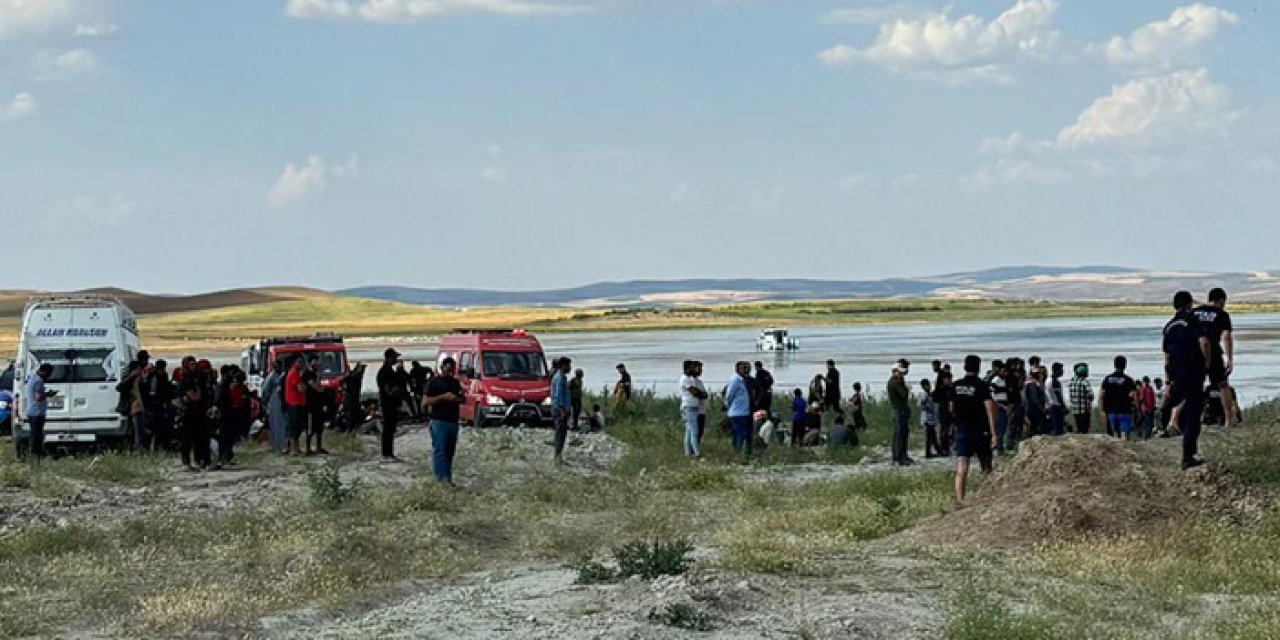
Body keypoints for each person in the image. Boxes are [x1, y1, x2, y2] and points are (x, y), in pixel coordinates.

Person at [1164, 290, 1212, 469]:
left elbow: (1167, 355)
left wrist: (1169, 380)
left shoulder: (1169, 326)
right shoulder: (1192, 320)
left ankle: (1168, 423)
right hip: (1192, 370)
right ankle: (1188, 455)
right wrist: (1206, 362)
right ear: (1189, 304)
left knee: (1179, 401)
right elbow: (1204, 342)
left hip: (1175, 371)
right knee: (1193, 410)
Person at [951, 355, 998, 504]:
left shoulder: (956, 385)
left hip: (963, 430)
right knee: (986, 466)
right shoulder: (981, 385)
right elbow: (990, 409)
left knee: (961, 467)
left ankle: (960, 500)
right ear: (978, 367)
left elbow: (951, 407)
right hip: (980, 430)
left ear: (965, 367)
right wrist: (994, 434)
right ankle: (987, 497)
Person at [1194, 288, 1236, 429]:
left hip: (1194, 353)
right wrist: (1230, 358)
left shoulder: (1194, 312)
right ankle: (1228, 420)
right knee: (1223, 385)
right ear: (1221, 301)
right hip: (1213, 353)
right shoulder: (1222, 314)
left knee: (1194, 386)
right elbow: (1226, 337)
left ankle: (1191, 419)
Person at [423, 356, 465, 484]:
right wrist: (443, 397)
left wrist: (459, 398)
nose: (450, 373)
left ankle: (447, 478)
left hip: (453, 421)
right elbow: (425, 401)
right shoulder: (433, 382)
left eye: (452, 370)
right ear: (442, 368)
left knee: (449, 452)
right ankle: (441, 480)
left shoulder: (455, 382)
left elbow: (462, 399)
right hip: (439, 421)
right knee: (440, 451)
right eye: (447, 370)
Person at [177, 366, 213, 471]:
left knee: (201, 439)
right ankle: (189, 461)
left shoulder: (201, 382)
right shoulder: (187, 382)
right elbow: (195, 397)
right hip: (189, 415)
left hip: (200, 414)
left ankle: (201, 460)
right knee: (188, 439)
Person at [20, 364, 55, 459]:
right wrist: (48, 394)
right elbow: (38, 397)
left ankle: (35, 453)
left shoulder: (33, 378)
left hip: (33, 411)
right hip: (37, 412)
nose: (49, 376)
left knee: (35, 434)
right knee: (36, 435)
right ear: (45, 372)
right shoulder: (38, 381)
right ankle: (36, 455)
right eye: (49, 373)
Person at [1100, 356, 1139, 441]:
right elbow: (1134, 396)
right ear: (1125, 365)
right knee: (1124, 435)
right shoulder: (1128, 380)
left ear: (1114, 365)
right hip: (1125, 411)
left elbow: (1102, 395)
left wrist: (1102, 410)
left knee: (1113, 434)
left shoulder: (1107, 379)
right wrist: (1137, 409)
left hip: (1111, 411)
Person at [376, 349, 405, 462]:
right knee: (388, 428)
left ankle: (389, 453)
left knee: (391, 428)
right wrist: (396, 390)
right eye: (394, 357)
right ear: (388, 358)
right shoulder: (384, 372)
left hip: (392, 404)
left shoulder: (390, 372)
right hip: (387, 404)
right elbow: (388, 390)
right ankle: (386, 453)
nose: (396, 359)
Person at [724, 361, 754, 460]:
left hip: (744, 412)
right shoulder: (735, 380)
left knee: (745, 433)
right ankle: (737, 453)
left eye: (746, 368)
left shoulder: (742, 380)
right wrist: (727, 405)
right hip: (737, 412)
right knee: (739, 434)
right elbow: (729, 395)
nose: (746, 370)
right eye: (743, 368)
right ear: (737, 369)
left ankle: (744, 453)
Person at [117, 358, 149, 451]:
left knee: (140, 428)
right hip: (134, 406)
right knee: (136, 428)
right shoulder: (129, 378)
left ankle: (138, 446)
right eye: (138, 369)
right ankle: (136, 447)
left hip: (140, 405)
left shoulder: (140, 378)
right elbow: (120, 387)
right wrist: (131, 376)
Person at [679, 361, 707, 459]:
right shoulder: (684, 379)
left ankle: (688, 453)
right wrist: (700, 393)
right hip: (689, 407)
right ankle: (697, 453)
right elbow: (695, 392)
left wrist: (700, 393)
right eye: (694, 368)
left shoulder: (694, 380)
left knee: (689, 431)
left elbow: (704, 394)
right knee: (695, 431)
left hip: (694, 407)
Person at [550, 357, 575, 464]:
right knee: (560, 433)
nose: (570, 368)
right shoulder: (559, 378)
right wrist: (562, 410)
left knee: (562, 433)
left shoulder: (561, 377)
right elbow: (558, 395)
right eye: (568, 365)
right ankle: (557, 457)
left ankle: (558, 456)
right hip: (560, 410)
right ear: (563, 365)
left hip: (562, 409)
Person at [262, 359, 288, 454]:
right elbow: (265, 390)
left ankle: (284, 445)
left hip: (283, 400)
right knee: (276, 423)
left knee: (284, 423)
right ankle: (277, 446)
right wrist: (265, 402)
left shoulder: (284, 375)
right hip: (275, 401)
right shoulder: (271, 377)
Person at [887, 365, 912, 465]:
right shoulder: (894, 383)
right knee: (900, 434)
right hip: (899, 410)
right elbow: (904, 393)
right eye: (900, 372)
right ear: (895, 372)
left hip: (900, 410)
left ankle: (901, 455)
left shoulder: (894, 381)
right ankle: (899, 457)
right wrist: (902, 383)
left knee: (901, 433)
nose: (902, 375)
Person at [284, 358, 307, 456]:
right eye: (299, 362)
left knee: (298, 427)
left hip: (299, 403)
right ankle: (293, 449)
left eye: (302, 362)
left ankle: (296, 448)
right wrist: (304, 387)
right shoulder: (294, 373)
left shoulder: (297, 373)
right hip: (294, 403)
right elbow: (301, 388)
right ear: (294, 363)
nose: (301, 364)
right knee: (294, 426)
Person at [986, 360, 1011, 451]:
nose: (1005, 373)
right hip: (999, 407)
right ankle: (998, 447)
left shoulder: (1004, 380)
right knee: (1000, 428)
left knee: (1003, 427)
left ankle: (1000, 446)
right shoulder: (996, 380)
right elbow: (991, 393)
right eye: (1003, 371)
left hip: (1004, 406)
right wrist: (998, 404)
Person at [1068, 363, 1094, 434]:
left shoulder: (1072, 381)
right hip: (1084, 410)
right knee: (1085, 429)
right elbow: (1091, 395)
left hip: (1075, 410)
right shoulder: (1085, 382)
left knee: (1079, 428)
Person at [1022, 369, 1047, 438]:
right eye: (1037, 373)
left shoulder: (1031, 383)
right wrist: (1042, 409)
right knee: (1034, 428)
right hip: (1033, 410)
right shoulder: (1032, 384)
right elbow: (1034, 399)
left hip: (1031, 409)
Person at [920, 379, 942, 458]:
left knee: (932, 435)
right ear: (923, 386)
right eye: (927, 385)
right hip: (927, 418)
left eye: (929, 385)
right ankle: (929, 453)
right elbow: (923, 404)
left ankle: (935, 451)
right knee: (930, 436)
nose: (929, 386)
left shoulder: (929, 394)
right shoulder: (924, 395)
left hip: (931, 418)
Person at [1047, 363, 1067, 436]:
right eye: (1061, 370)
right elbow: (1058, 395)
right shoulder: (1055, 382)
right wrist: (1063, 406)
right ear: (1056, 370)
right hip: (1056, 406)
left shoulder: (1048, 380)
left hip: (1051, 404)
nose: (1062, 372)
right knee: (1059, 427)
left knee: (1055, 425)